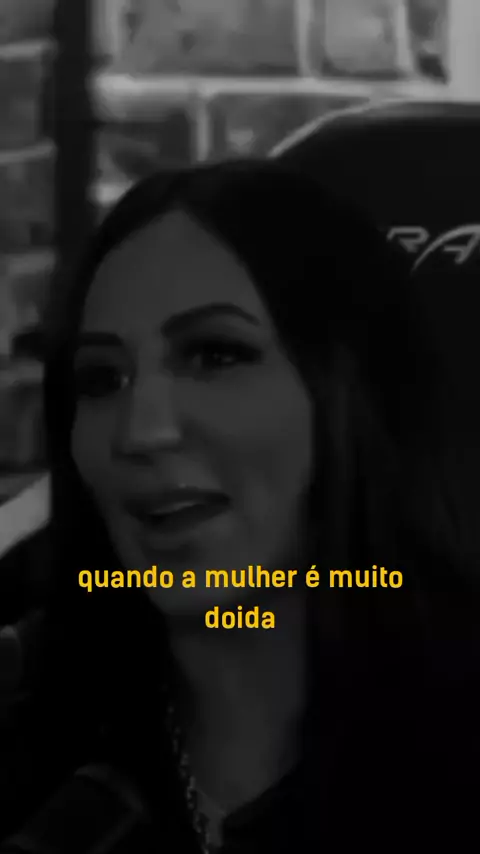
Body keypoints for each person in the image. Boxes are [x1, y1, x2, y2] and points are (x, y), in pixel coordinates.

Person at [0, 160, 478, 853]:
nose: (141, 430)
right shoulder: (31, 740)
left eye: (215, 355)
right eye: (102, 378)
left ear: (350, 390)